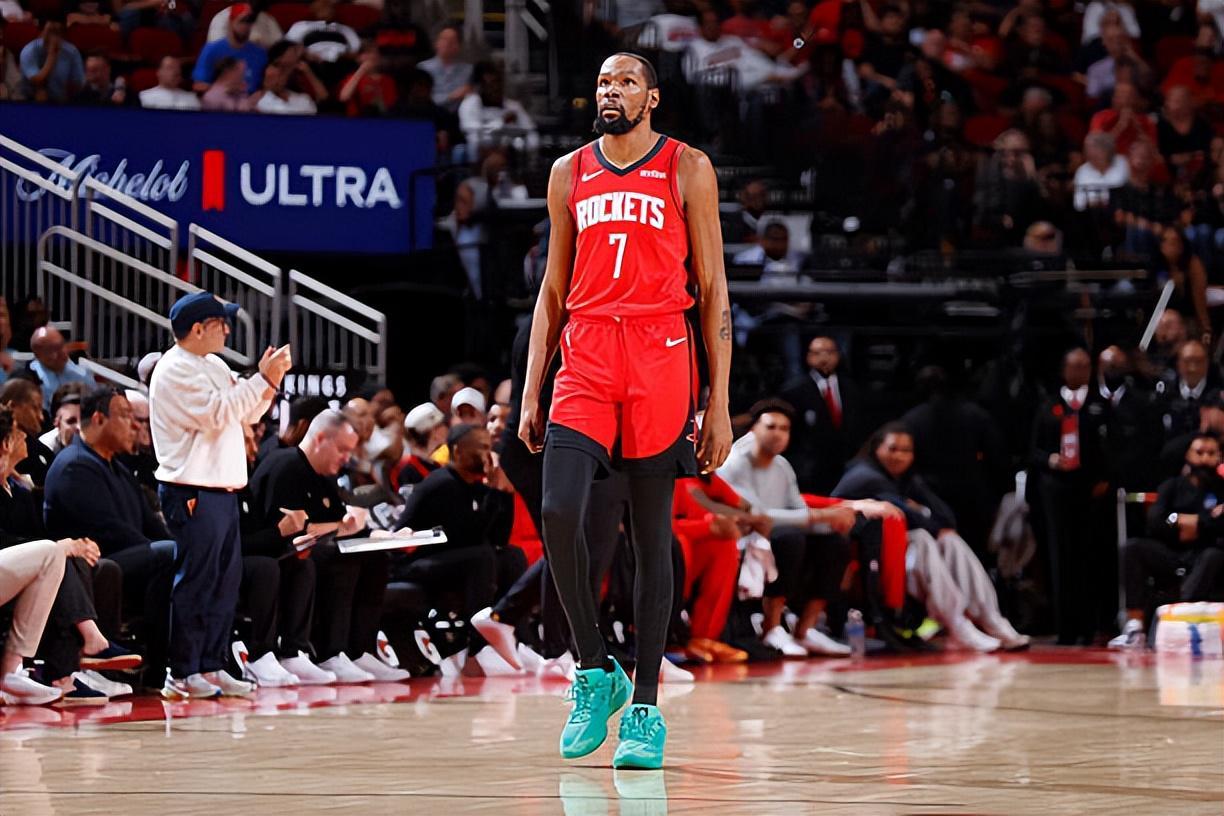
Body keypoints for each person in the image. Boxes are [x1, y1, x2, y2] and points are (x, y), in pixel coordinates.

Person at [518, 52, 733, 770]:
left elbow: (713, 287)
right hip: (586, 352)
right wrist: (530, 389)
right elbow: (552, 290)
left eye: (627, 82)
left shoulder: (687, 167)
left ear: (652, 98)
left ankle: (644, 705)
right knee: (558, 512)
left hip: (660, 351)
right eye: (604, 82)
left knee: (650, 535)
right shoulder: (568, 171)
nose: (612, 90)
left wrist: (719, 401)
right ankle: (593, 669)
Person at [149, 292, 291, 699]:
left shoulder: (213, 364)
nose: (227, 330)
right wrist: (261, 380)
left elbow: (246, 413)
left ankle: (211, 664)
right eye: (221, 323)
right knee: (197, 580)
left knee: (224, 583)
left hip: (222, 490)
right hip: (192, 489)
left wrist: (270, 383)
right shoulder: (174, 369)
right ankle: (182, 671)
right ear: (198, 329)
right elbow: (217, 414)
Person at [833, 423, 1030, 651]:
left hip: (894, 555)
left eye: (906, 450)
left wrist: (922, 510)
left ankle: (991, 618)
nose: (899, 456)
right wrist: (917, 511)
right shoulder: (867, 476)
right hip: (863, 559)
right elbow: (911, 519)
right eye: (893, 449)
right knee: (922, 539)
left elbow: (947, 520)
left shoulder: (906, 478)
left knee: (949, 540)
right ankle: (956, 623)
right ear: (877, 448)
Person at [247, 410, 403, 683]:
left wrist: (388, 536)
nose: (347, 458)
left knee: (375, 557)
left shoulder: (324, 475)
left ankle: (360, 650)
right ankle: (326, 652)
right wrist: (341, 527)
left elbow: (344, 523)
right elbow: (289, 531)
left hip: (308, 549)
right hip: (269, 551)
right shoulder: (285, 466)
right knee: (335, 558)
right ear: (320, 439)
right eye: (342, 450)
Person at [43, 387, 175, 692]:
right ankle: (158, 668)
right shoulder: (74, 465)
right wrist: (162, 550)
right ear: (99, 419)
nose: (136, 425)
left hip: (126, 558)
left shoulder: (120, 468)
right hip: (88, 566)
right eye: (126, 416)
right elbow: (109, 533)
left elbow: (152, 526)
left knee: (185, 553)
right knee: (168, 554)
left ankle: (197, 659)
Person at [0, 405, 101, 706]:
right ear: (5, 443)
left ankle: (55, 672)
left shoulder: (18, 487)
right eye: (18, 433)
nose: (25, 438)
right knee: (52, 551)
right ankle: (89, 641)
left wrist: (67, 547)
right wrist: (62, 546)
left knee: (58, 555)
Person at [1110, 433, 1224, 649]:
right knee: (1133, 548)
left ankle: (1179, 618)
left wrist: (1193, 522)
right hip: (1172, 553)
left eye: (1211, 453)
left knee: (1214, 556)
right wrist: (1198, 521)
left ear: (1219, 457)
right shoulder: (1172, 486)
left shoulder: (1221, 489)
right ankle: (1135, 628)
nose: (1204, 458)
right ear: (1188, 455)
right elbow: (1156, 521)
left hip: (1204, 555)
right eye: (1199, 452)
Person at [1029, 348, 1111, 645]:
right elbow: (1033, 450)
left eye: (1085, 366)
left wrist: (1105, 478)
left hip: (1090, 491)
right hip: (1057, 491)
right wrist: (1051, 460)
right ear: (1064, 369)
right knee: (1060, 556)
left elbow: (1112, 447)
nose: (1080, 372)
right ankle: (1065, 628)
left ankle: (1090, 628)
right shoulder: (1049, 405)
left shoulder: (1100, 405)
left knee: (1089, 556)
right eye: (1074, 366)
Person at [780, 336, 864, 494]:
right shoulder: (794, 390)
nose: (824, 358)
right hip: (809, 470)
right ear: (808, 357)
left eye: (829, 352)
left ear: (838, 356)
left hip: (843, 465)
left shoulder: (851, 388)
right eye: (817, 353)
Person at [192, 3, 267, 93]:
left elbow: (265, 86)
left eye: (250, 22)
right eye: (242, 21)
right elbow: (198, 85)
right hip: (221, 100)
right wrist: (225, 90)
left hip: (251, 99)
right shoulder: (212, 50)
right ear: (231, 22)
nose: (246, 26)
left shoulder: (260, 53)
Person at [28, 326, 93, 412]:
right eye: (52, 349)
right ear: (38, 355)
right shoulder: (30, 377)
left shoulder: (81, 373)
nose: (61, 352)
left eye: (61, 345)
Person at [19, 18, 84, 103]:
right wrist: (52, 54)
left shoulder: (72, 52)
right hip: (30, 100)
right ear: (41, 33)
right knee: (41, 93)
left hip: (63, 101)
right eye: (50, 31)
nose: (53, 37)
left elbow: (78, 83)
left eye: (57, 32)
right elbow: (37, 80)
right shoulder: (29, 51)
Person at [390, 402, 446, 491]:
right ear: (434, 431)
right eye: (442, 425)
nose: (446, 428)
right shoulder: (407, 471)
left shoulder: (435, 462)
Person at [418, 24, 471, 109]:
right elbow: (422, 98)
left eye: (452, 41)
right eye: (444, 39)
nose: (447, 44)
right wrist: (451, 96)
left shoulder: (468, 70)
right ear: (436, 43)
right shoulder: (423, 68)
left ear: (458, 46)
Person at [37, 384, 83, 457]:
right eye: (71, 421)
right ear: (57, 422)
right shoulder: (44, 448)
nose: (79, 427)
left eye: (84, 420)